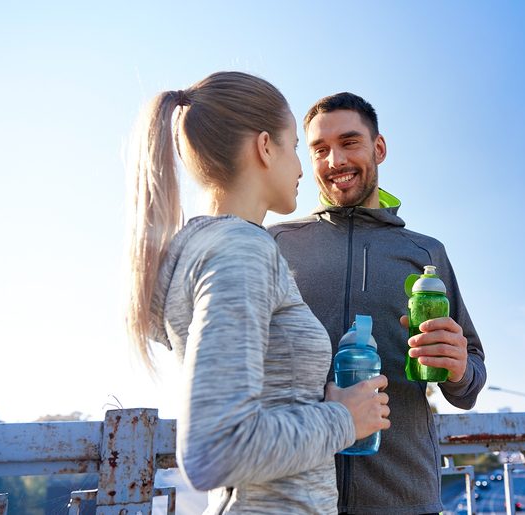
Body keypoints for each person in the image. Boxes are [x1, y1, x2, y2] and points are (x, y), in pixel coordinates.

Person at [124, 73, 390, 514]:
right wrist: (345, 419)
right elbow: (215, 450)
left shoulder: (207, 246)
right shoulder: (240, 249)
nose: (304, 167)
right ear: (264, 147)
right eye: (293, 147)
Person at [268, 92, 486, 514]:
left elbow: (471, 381)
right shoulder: (276, 243)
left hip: (404, 499)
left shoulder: (426, 253)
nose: (335, 161)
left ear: (378, 148)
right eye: (320, 150)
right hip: (294, 497)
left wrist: (458, 368)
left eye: (349, 142)